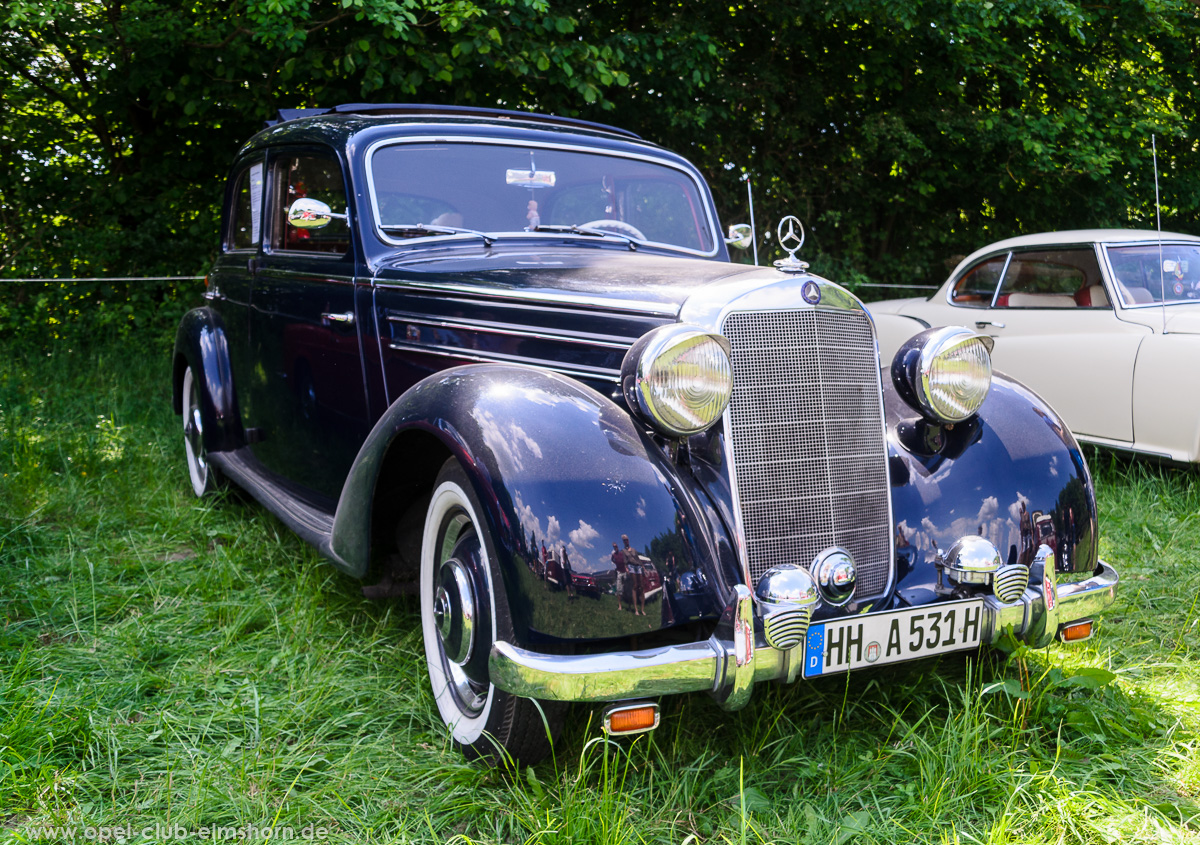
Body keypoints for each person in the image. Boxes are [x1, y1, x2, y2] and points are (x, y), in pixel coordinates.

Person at [621, 534, 646, 616]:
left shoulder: (634, 550)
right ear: (623, 542)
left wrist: (643, 568)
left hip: (638, 566)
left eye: (626, 539)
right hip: (631, 566)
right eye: (624, 540)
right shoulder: (623, 551)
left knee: (641, 586)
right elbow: (625, 561)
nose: (626, 541)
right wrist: (626, 568)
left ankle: (642, 609)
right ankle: (636, 609)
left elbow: (638, 559)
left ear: (628, 540)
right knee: (635, 586)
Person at [611, 541, 629, 612]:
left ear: (617, 547)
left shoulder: (622, 553)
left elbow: (625, 561)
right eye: (614, 547)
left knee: (627, 588)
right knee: (618, 589)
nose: (615, 548)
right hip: (619, 571)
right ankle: (620, 605)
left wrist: (626, 568)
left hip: (624, 571)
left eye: (616, 546)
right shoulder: (613, 555)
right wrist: (615, 563)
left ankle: (629, 604)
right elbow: (612, 559)